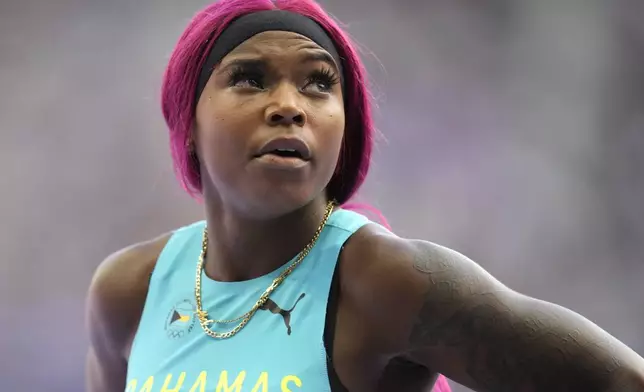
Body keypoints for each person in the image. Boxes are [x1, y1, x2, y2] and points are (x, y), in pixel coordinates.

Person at [85, 0, 644, 391]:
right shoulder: (129, 292)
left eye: (319, 82)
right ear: (188, 123)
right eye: (250, 78)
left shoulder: (384, 282)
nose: (289, 104)